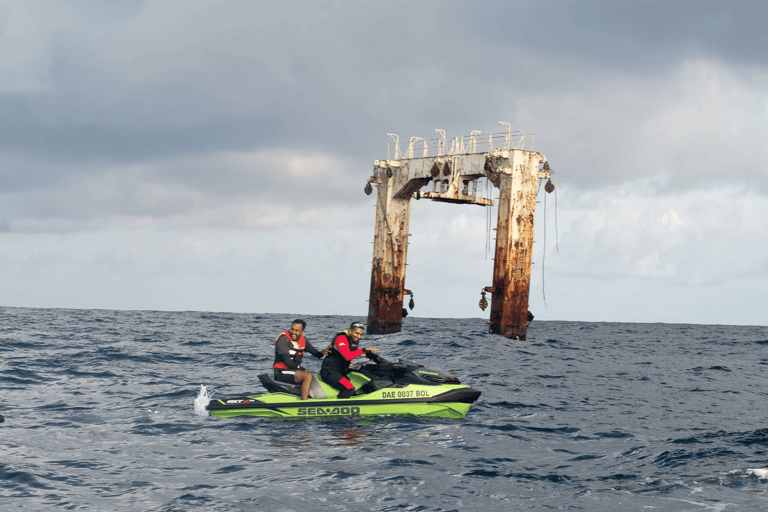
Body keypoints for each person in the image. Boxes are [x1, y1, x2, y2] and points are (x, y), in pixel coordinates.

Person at [273, 319, 329, 400]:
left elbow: (317, 355)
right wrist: (303, 369)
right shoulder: (283, 340)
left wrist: (323, 352)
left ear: (302, 332)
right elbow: (288, 362)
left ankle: (317, 397)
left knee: (316, 376)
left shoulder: (303, 340)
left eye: (297, 330)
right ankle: (304, 403)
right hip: (281, 372)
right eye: (292, 329)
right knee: (307, 376)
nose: (293, 332)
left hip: (294, 371)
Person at [320, 321, 378, 399]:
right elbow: (347, 356)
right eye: (357, 333)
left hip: (340, 371)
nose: (359, 336)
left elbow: (354, 351)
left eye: (361, 334)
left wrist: (369, 353)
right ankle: (338, 408)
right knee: (349, 389)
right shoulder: (341, 338)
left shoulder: (351, 340)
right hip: (330, 372)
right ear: (350, 331)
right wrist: (363, 350)